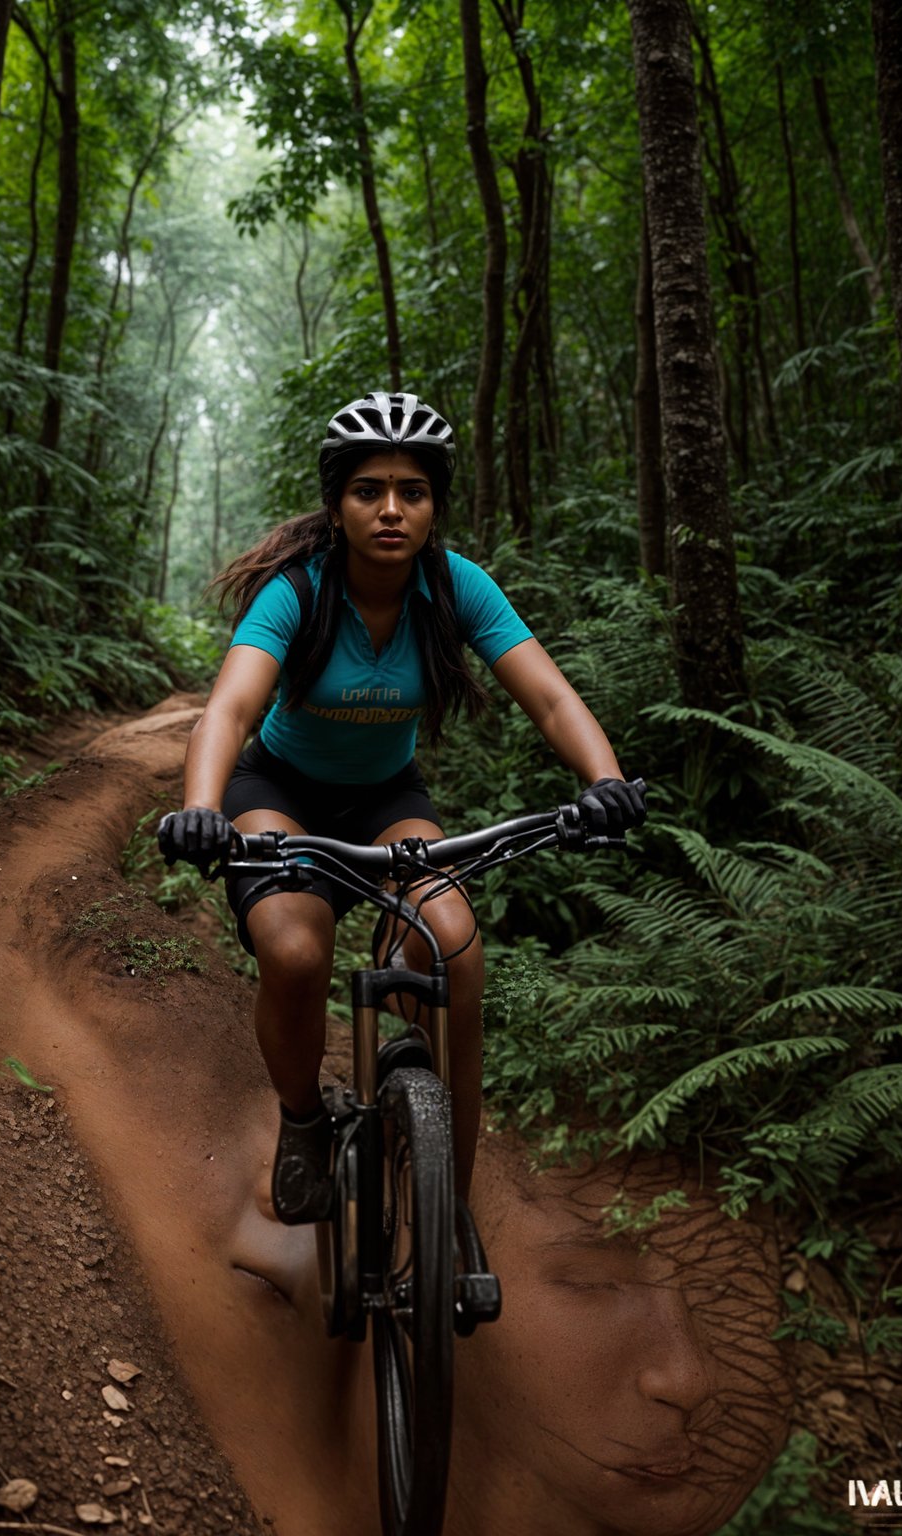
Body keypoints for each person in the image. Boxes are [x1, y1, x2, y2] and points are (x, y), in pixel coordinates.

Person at [157, 390, 646, 1223]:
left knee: (453, 946)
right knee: (296, 950)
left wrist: (605, 782)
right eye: (368, 490)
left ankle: (447, 1195)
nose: (390, 509)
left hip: (388, 800)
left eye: (411, 492)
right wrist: (203, 807)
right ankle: (305, 1122)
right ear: (337, 505)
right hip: (281, 793)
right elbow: (231, 711)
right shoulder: (297, 589)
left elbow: (553, 699)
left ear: (434, 506)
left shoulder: (457, 589)